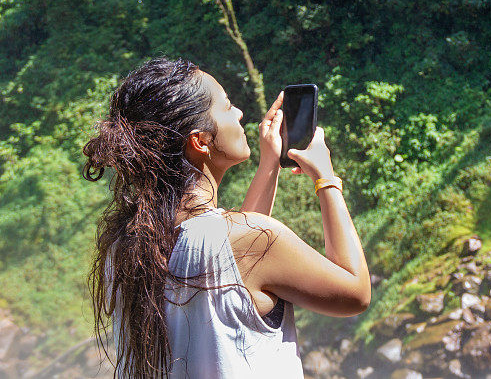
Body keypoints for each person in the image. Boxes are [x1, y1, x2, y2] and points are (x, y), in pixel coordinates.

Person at [82, 57, 370, 378]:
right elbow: (355, 293)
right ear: (200, 140)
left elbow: (235, 276)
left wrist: (269, 163)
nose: (239, 113)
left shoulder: (126, 244)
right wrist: (327, 179)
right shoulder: (244, 240)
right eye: (228, 105)